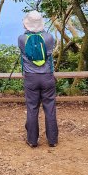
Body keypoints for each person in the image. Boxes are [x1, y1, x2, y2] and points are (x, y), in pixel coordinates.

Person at [18, 10, 58, 148]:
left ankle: (32, 140)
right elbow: (49, 54)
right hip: (47, 76)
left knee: (32, 108)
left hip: (30, 78)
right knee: (50, 108)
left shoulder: (22, 39)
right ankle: (52, 140)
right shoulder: (49, 38)